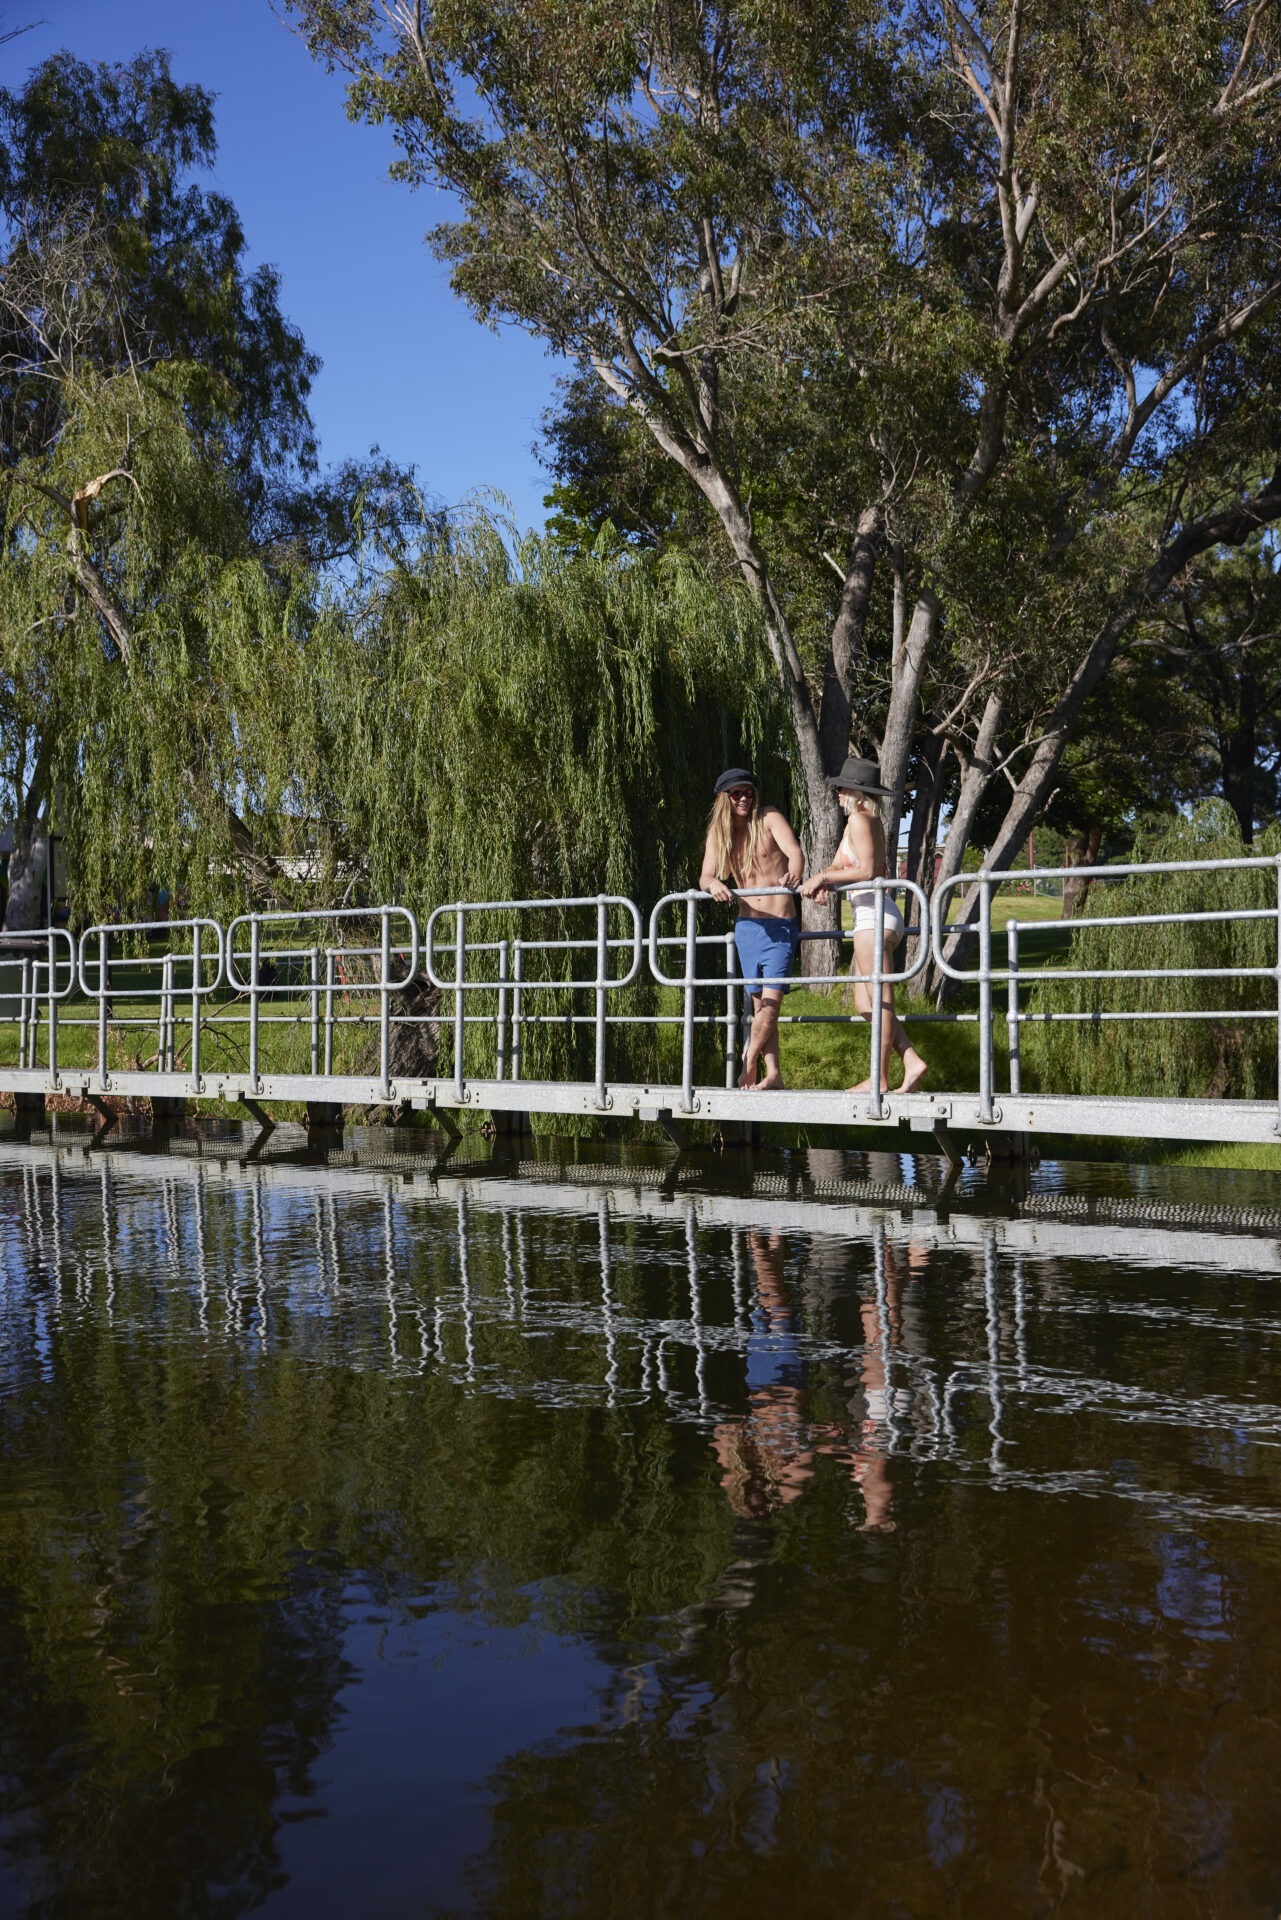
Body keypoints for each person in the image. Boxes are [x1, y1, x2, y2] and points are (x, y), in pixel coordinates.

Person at [800, 754, 927, 1095]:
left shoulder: (860, 818)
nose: (837, 793)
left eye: (840, 788)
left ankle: (880, 1078)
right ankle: (911, 1059)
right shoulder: (860, 822)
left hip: (873, 918)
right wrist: (824, 883)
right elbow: (843, 866)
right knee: (865, 1004)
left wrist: (824, 876)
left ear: (852, 790)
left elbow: (869, 871)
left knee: (882, 1001)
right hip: (870, 916)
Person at [700, 768, 805, 1089]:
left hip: (780, 926)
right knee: (760, 1007)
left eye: (748, 792)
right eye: (736, 794)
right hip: (747, 928)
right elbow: (705, 876)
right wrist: (714, 883)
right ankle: (772, 1073)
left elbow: (795, 853)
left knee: (770, 1007)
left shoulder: (770, 817)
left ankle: (747, 1064)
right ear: (724, 799)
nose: (744, 798)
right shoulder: (720, 834)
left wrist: (795, 874)